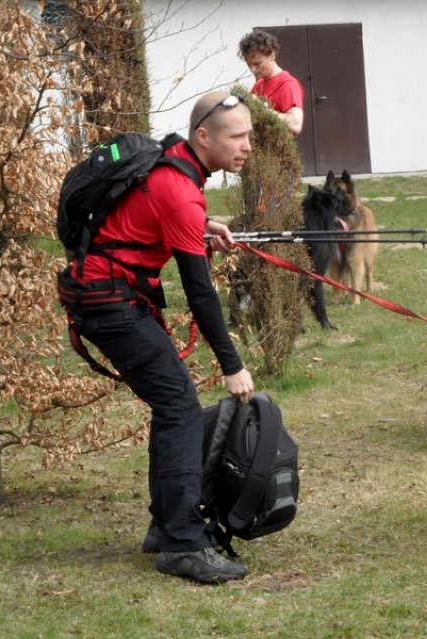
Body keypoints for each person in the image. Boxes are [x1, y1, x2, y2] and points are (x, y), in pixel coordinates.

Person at [62, 91, 255, 583]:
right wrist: (233, 366)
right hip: (110, 304)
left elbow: (143, 214)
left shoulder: (174, 169)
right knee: (180, 408)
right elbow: (200, 294)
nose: (247, 145)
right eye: (237, 136)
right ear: (204, 136)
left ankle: (166, 528)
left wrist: (198, 225)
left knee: (174, 407)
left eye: (249, 134)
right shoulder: (180, 190)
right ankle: (182, 543)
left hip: (109, 296)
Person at [238, 30, 305, 136]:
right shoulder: (258, 85)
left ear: (272, 55)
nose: (253, 70)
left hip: (277, 151)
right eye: (249, 64)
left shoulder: (288, 85)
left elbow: (295, 124)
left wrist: (262, 108)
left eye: (257, 64)